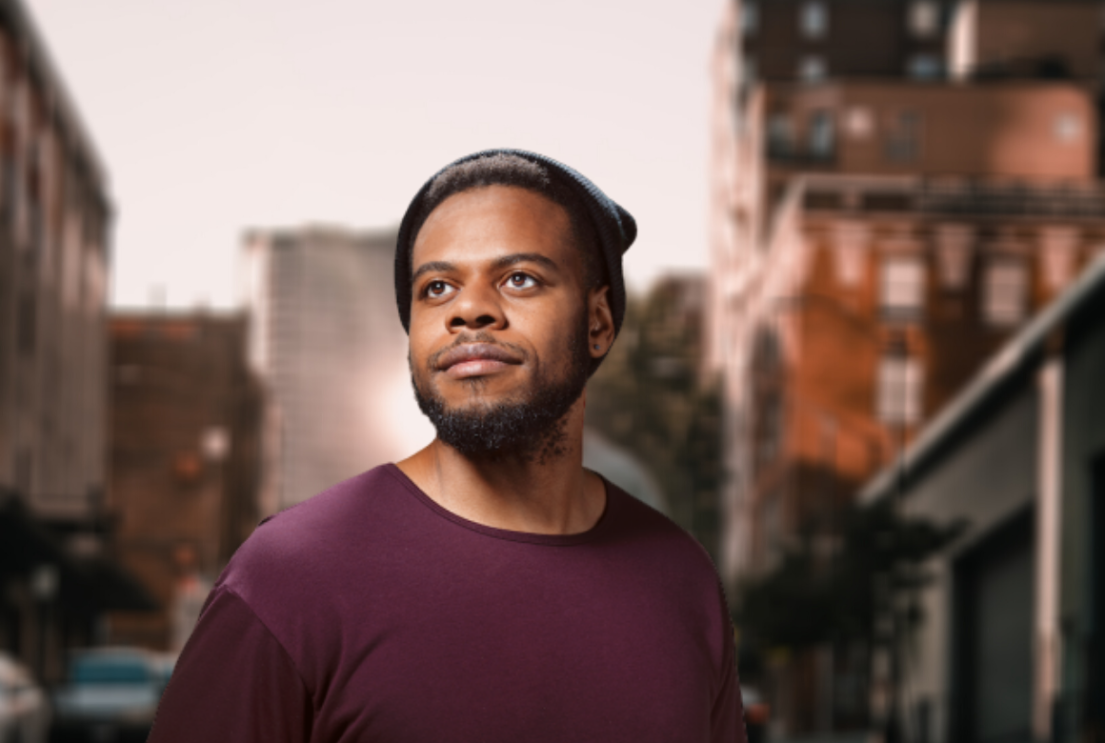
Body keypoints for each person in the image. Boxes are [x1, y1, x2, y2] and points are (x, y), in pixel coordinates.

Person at [148, 149, 746, 742]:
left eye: (519, 279)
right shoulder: (289, 576)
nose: (469, 310)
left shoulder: (681, 579)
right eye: (436, 288)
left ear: (598, 324)